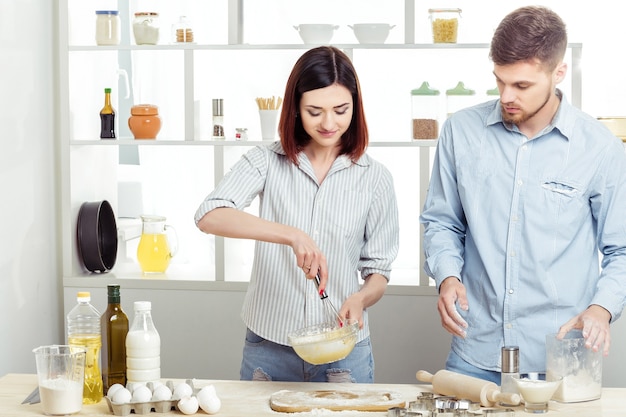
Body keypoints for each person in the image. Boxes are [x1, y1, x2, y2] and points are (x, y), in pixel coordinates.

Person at [420, 5, 626, 383]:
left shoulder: (600, 149)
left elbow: (622, 249)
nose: (506, 96)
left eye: (522, 85)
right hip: (474, 351)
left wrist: (602, 308)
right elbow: (441, 221)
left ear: (558, 72)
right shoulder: (460, 132)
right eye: (500, 81)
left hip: (561, 360)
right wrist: (447, 276)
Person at [194, 46, 399, 383]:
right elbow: (209, 214)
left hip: (343, 348)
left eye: (341, 110)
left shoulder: (375, 177)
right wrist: (292, 235)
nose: (329, 123)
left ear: (355, 108)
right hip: (270, 346)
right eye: (315, 111)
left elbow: (378, 271)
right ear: (295, 109)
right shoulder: (265, 161)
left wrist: (361, 298)